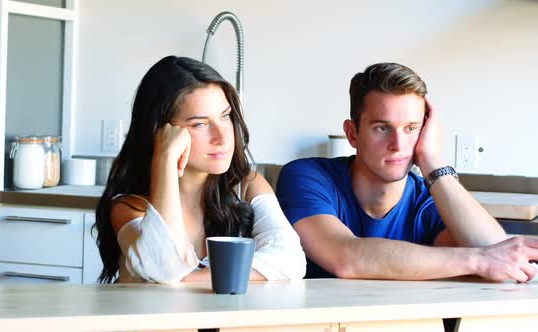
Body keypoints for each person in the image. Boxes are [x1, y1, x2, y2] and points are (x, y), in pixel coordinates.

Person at [276, 62, 538, 283]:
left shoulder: (430, 201)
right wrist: (476, 260)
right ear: (352, 133)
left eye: (411, 128)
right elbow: (345, 257)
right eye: (382, 128)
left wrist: (433, 164)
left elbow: (498, 259)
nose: (398, 145)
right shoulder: (307, 177)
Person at [94, 55, 306, 284]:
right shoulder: (129, 206)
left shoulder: (247, 186)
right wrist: (164, 158)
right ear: (162, 132)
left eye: (225, 116)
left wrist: (188, 279)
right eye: (200, 124)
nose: (222, 137)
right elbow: (164, 270)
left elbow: (291, 260)